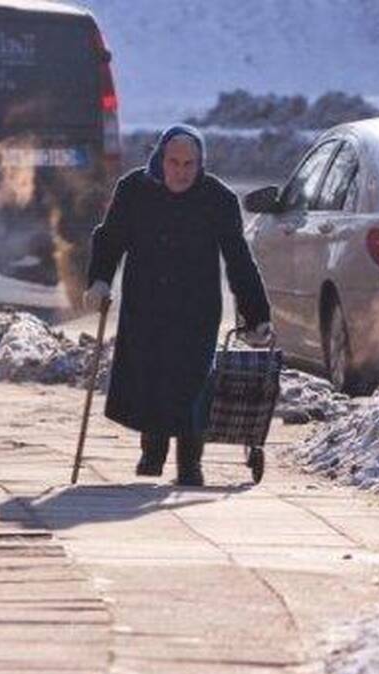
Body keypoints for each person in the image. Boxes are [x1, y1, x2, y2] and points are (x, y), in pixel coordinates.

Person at [83, 125, 272, 486]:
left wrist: (257, 315)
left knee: (192, 382)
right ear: (160, 159)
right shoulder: (134, 190)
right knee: (149, 374)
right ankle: (152, 453)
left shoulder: (218, 198)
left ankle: (190, 466)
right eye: (174, 162)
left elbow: (239, 261)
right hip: (145, 302)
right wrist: (100, 281)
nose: (182, 171)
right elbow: (110, 239)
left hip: (195, 307)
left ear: (201, 163)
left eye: (190, 164)